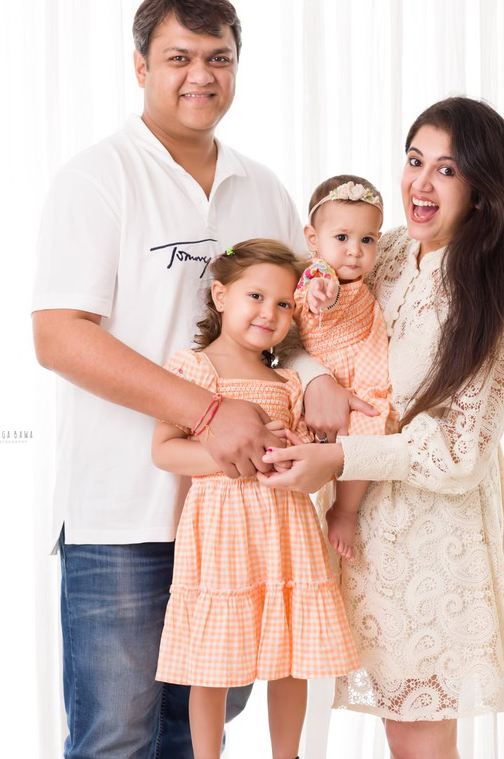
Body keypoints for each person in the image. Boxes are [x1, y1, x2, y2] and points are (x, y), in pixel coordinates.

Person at [31, 0, 337, 759]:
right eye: (178, 57)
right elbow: (60, 336)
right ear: (139, 67)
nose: (200, 75)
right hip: (123, 519)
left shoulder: (262, 188)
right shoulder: (97, 178)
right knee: (118, 739)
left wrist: (318, 373)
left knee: (198, 738)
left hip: (245, 520)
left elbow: (282, 326)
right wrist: (206, 411)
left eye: (218, 59)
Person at [260, 97, 504, 759]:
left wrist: (339, 459)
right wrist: (313, 376)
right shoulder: (377, 252)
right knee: (398, 731)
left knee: (420, 740)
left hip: (433, 544)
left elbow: (459, 454)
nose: (419, 182)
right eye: (415, 160)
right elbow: (295, 326)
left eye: (445, 170)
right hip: (360, 534)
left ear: (480, 191)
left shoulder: (499, 303)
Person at [152, 239, 360, 759]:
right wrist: (241, 454)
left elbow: (309, 456)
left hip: (284, 527)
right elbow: (166, 453)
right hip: (222, 529)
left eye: (285, 303)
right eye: (256, 297)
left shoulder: (289, 381)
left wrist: (295, 451)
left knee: (291, 656)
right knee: (213, 659)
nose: (270, 313)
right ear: (220, 296)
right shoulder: (194, 369)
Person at [292, 175, 394, 561]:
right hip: (325, 377)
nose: (354, 251)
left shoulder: (366, 282)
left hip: (363, 378)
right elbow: (319, 288)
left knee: (370, 427)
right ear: (313, 239)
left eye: (367, 240)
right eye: (342, 238)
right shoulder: (319, 277)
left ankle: (345, 509)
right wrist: (322, 291)